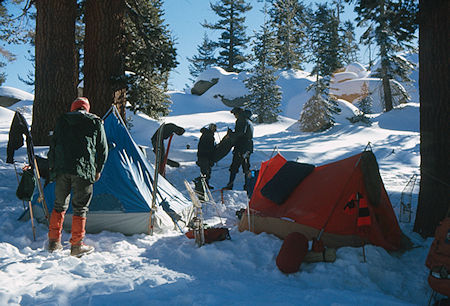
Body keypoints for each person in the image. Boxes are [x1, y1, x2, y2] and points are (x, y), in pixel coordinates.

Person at [47, 97, 108, 257]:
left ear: (73, 108)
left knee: (59, 205)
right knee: (80, 207)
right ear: (86, 108)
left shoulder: (62, 120)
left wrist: (52, 167)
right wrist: (98, 169)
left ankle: (54, 242)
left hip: (62, 169)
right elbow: (102, 148)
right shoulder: (95, 121)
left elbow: (53, 144)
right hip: (84, 169)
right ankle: (77, 245)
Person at [224, 107, 253, 190]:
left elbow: (240, 133)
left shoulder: (241, 119)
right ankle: (248, 186)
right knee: (246, 167)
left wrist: (231, 134)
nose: (234, 116)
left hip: (241, 146)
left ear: (238, 113)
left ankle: (230, 185)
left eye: (234, 114)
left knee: (234, 167)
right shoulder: (249, 121)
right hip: (248, 146)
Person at [196, 123, 217, 188]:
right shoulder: (208, 135)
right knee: (205, 171)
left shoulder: (207, 134)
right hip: (204, 156)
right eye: (214, 128)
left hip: (203, 155)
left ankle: (205, 185)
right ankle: (201, 185)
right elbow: (208, 147)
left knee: (207, 171)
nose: (215, 130)